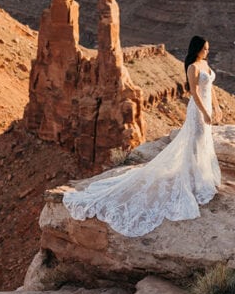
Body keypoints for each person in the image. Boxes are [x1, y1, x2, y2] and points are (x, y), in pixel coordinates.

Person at [62, 36, 223, 237]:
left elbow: (211, 88)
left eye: (208, 48)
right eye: (205, 49)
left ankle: (199, 174)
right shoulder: (192, 67)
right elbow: (194, 93)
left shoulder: (205, 64)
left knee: (203, 142)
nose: (207, 51)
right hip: (198, 111)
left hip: (207, 106)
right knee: (194, 142)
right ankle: (190, 177)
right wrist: (205, 112)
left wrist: (216, 106)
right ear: (197, 49)